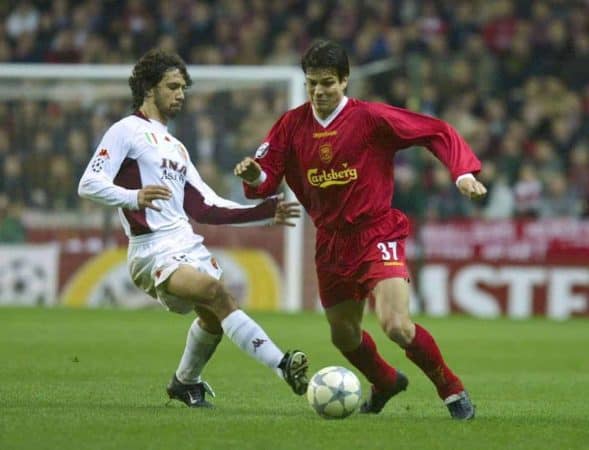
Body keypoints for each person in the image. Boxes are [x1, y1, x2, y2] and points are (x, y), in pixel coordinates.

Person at [234, 40, 487, 420]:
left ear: (345, 81)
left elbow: (435, 131)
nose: (319, 91)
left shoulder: (370, 119)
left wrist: (461, 171)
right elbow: (265, 178)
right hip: (331, 243)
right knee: (343, 336)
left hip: (376, 232)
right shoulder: (291, 125)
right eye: (312, 83)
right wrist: (255, 175)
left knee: (396, 325)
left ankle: (452, 391)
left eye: (327, 83)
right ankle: (385, 381)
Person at [78, 49, 309, 408]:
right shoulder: (126, 130)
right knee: (216, 293)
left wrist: (263, 211)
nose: (180, 94)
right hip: (151, 247)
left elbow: (206, 206)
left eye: (183, 87)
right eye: (173, 86)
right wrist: (133, 196)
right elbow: (89, 183)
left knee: (214, 318)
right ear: (149, 89)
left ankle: (184, 383)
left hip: (185, 242)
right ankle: (282, 365)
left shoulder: (177, 149)